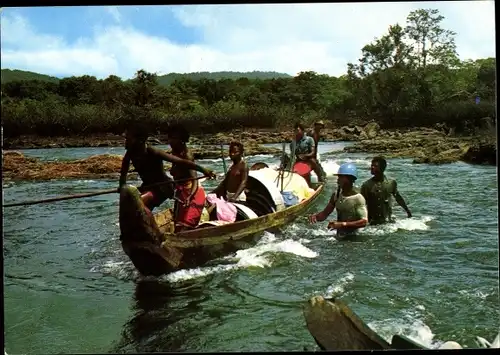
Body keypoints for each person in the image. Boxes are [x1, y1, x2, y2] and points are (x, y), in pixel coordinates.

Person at [118, 126, 215, 216]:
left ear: (140, 140)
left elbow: (181, 162)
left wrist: (203, 170)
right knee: (132, 206)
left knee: (138, 203)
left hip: (162, 187)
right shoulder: (129, 154)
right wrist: (122, 188)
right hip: (147, 186)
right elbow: (123, 175)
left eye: (128, 139)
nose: (125, 142)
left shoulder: (151, 151)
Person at [166, 123, 213, 232]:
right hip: (181, 194)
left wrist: (190, 197)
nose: (170, 141)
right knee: (177, 228)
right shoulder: (174, 153)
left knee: (185, 229)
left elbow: (194, 180)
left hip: (192, 195)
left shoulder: (187, 155)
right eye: (170, 138)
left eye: (174, 138)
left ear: (181, 140)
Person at [309, 163, 368, 239]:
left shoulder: (358, 198)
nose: (338, 179)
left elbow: (364, 222)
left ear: (349, 179)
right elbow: (324, 214)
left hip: (355, 237)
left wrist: (342, 224)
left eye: (340, 177)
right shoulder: (336, 195)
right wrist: (315, 217)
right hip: (340, 234)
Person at [360, 156, 412, 225]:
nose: (372, 167)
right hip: (372, 223)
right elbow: (361, 204)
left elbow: (398, 198)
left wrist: (407, 211)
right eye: (371, 165)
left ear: (382, 168)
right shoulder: (366, 185)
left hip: (387, 222)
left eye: (375, 166)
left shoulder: (391, 183)